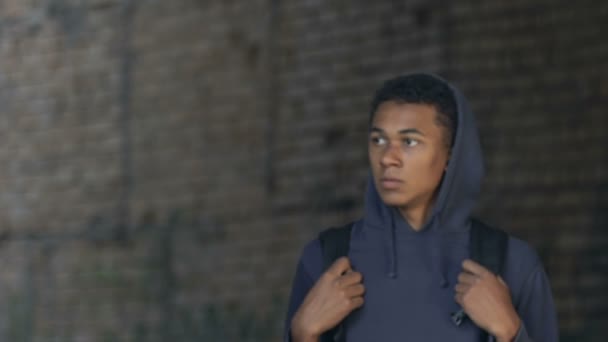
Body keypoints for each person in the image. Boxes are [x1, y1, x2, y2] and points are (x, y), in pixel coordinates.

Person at [283, 73, 558, 342]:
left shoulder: (513, 264)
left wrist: (511, 332)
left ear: (451, 154)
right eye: (378, 140)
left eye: (409, 141)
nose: (388, 158)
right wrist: (304, 334)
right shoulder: (325, 259)